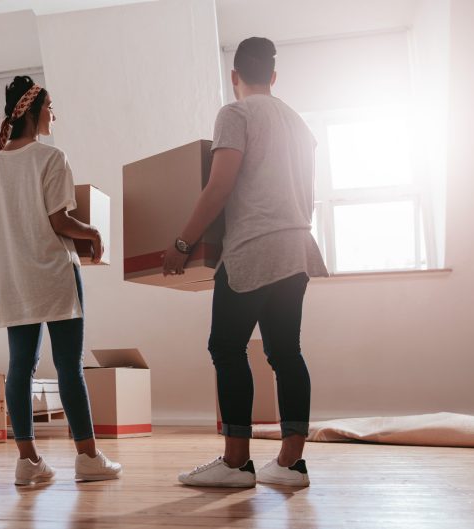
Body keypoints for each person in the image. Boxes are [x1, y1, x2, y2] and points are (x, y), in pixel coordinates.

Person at [169, 37, 328, 488]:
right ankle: (291, 464)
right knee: (285, 352)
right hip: (297, 247)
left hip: (253, 249)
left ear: (234, 76)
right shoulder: (300, 124)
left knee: (226, 348)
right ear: (273, 77)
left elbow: (219, 187)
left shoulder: (234, 114)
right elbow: (309, 197)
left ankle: (237, 463)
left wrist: (183, 244)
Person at [0, 75, 123, 486]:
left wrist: (16, 254)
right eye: (51, 106)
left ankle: (28, 462)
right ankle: (89, 458)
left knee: (19, 368)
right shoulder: (50, 158)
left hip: (15, 282)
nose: (54, 114)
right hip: (56, 276)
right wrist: (92, 233)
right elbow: (59, 220)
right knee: (69, 367)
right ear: (35, 110)